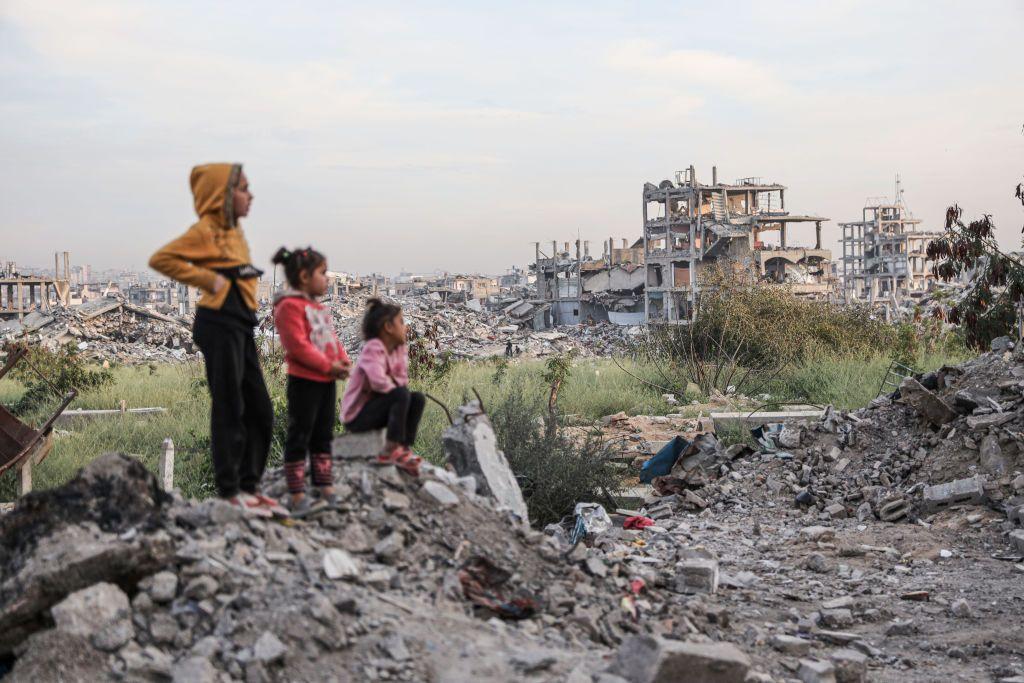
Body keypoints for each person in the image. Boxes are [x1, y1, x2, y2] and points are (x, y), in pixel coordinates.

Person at [149, 163, 285, 518]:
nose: (250, 195)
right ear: (221, 196)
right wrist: (209, 280)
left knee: (260, 409)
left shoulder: (235, 231)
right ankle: (231, 491)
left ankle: (250, 487)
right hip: (218, 323)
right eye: (243, 188)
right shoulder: (205, 230)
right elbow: (162, 258)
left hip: (241, 322)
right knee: (230, 407)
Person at [272, 246, 352, 517]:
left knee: (323, 433)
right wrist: (330, 366)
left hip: (325, 380)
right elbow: (299, 347)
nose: (326, 278)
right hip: (304, 382)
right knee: (300, 434)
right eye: (322, 273)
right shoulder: (288, 307)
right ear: (305, 277)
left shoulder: (318, 309)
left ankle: (324, 486)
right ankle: (296, 493)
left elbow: (332, 339)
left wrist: (342, 361)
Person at [340, 299, 424, 476]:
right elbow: (379, 382)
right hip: (357, 417)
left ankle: (403, 447)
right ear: (388, 327)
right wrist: (396, 388)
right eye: (401, 322)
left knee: (417, 398)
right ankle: (390, 449)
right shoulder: (373, 348)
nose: (405, 327)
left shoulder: (399, 349)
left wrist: (397, 387)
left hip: (379, 407)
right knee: (401, 394)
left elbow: (402, 379)